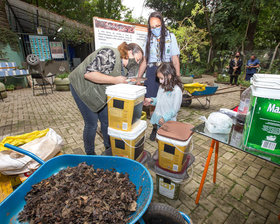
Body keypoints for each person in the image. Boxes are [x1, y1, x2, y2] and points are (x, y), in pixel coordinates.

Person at [69, 42, 143, 155]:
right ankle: (90, 155)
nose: (136, 63)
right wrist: (115, 80)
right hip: (81, 88)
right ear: (130, 52)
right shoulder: (110, 52)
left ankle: (109, 148)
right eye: (137, 60)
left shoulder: (124, 68)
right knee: (91, 123)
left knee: (107, 120)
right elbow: (89, 74)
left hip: (98, 91)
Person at [137, 11, 180, 117]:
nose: (155, 29)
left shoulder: (170, 37)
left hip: (166, 70)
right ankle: (155, 126)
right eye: (152, 27)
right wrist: (138, 78)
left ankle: (166, 124)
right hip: (152, 71)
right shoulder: (148, 38)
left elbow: (175, 59)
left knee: (167, 99)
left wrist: (177, 77)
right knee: (152, 102)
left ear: (162, 24)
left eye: (157, 26)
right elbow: (144, 61)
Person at [144, 62, 183, 141]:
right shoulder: (161, 87)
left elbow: (175, 109)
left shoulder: (177, 91)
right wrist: (151, 100)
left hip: (168, 121)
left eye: (161, 78)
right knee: (160, 138)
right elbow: (158, 100)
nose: (160, 81)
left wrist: (165, 118)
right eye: (159, 78)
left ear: (169, 76)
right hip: (159, 119)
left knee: (167, 139)